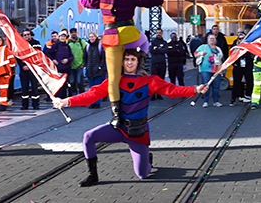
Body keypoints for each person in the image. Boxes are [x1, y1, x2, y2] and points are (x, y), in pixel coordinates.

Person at [52, 49, 208, 186]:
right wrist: (66, 101)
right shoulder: (114, 81)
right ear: (122, 62)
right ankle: (93, 175)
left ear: (138, 62)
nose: (129, 62)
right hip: (118, 128)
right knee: (89, 136)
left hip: (138, 132)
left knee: (142, 174)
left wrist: (195, 89)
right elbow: (92, 95)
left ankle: (147, 160)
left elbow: (172, 90)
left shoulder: (149, 81)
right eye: (126, 59)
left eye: (133, 59)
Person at [74, 0, 167, 127]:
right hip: (129, 34)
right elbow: (156, 0)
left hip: (111, 38)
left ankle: (116, 116)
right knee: (144, 41)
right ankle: (140, 62)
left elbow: (85, 2)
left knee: (113, 78)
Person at [194, 32, 223, 107]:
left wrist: (222, 70)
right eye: (211, 38)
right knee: (206, 86)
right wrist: (201, 54)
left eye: (214, 38)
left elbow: (221, 58)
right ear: (207, 40)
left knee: (216, 86)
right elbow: (195, 54)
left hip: (216, 70)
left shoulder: (218, 49)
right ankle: (205, 101)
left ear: (216, 40)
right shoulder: (203, 47)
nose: (212, 40)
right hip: (205, 70)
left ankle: (216, 101)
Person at [17, 29, 43, 110]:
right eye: (25, 35)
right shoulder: (20, 44)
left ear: (31, 34)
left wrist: (31, 65)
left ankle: (36, 104)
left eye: (28, 34)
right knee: (24, 87)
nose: (27, 36)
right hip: (24, 69)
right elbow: (18, 56)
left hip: (33, 69)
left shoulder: (36, 43)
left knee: (35, 87)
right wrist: (22, 66)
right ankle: (25, 105)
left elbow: (38, 55)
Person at [229, 30, 252, 106]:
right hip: (238, 66)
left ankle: (247, 95)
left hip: (247, 67)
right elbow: (231, 55)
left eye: (243, 38)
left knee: (249, 81)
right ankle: (233, 99)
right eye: (240, 38)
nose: (241, 40)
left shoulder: (248, 45)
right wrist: (234, 64)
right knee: (237, 83)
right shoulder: (235, 46)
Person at [83, 31, 105, 108]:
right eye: (90, 37)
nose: (91, 38)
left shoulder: (100, 46)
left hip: (97, 70)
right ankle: (92, 102)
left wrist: (100, 67)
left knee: (97, 87)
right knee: (91, 88)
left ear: (96, 37)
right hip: (89, 70)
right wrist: (86, 66)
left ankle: (97, 103)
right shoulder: (87, 46)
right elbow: (85, 57)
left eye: (93, 37)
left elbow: (103, 58)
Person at [148, 28, 169, 99]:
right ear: (156, 33)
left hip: (162, 63)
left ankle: (159, 94)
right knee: (154, 80)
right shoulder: (153, 42)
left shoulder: (164, 42)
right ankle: (153, 95)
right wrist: (160, 49)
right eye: (157, 33)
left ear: (162, 33)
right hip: (154, 63)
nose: (158, 34)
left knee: (161, 79)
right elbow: (151, 50)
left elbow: (165, 50)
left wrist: (157, 49)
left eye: (160, 33)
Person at [67, 28, 87, 96]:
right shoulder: (68, 43)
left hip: (79, 66)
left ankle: (82, 97)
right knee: (72, 82)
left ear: (77, 33)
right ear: (70, 34)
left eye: (75, 32)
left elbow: (85, 53)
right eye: (72, 32)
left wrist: (83, 64)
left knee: (79, 82)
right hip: (71, 66)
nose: (73, 33)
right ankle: (74, 97)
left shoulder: (82, 42)